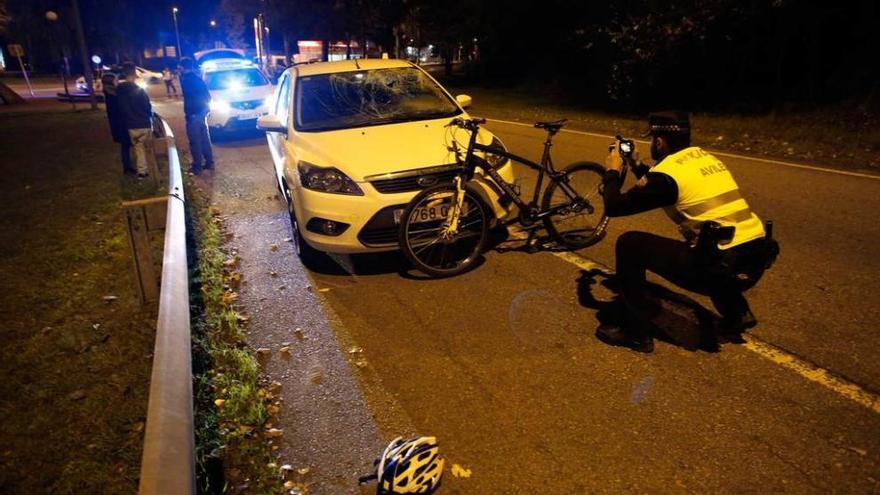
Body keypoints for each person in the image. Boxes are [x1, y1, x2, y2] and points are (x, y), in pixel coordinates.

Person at [597, 112, 778, 353]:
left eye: (652, 140)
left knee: (630, 244)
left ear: (659, 142)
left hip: (717, 269)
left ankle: (635, 333)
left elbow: (614, 206)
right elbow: (665, 188)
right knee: (712, 245)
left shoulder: (667, 176)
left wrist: (612, 171)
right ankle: (737, 314)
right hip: (754, 261)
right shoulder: (705, 159)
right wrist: (637, 166)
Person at [116, 62, 153, 178]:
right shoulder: (139, 91)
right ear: (134, 74)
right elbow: (147, 107)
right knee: (146, 148)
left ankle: (143, 171)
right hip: (144, 123)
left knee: (138, 148)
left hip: (131, 125)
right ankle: (148, 170)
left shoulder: (119, 92)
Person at [178, 57, 214, 174]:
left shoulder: (186, 81)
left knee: (195, 141)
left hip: (194, 114)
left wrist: (191, 114)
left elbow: (189, 100)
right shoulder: (198, 79)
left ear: (182, 67)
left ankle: (197, 167)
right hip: (202, 113)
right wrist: (205, 110)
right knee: (204, 139)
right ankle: (209, 163)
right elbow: (208, 97)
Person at [101, 73, 136, 175]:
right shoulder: (114, 94)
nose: (117, 82)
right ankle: (128, 167)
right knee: (126, 145)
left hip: (118, 124)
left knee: (125, 145)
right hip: (121, 123)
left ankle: (128, 166)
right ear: (111, 81)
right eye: (115, 80)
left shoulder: (110, 93)